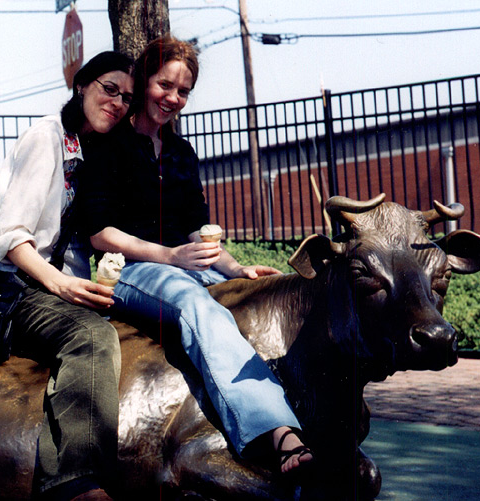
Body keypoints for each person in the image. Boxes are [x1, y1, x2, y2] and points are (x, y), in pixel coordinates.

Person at [77, 36, 313, 476]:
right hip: (133, 270)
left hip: (181, 262)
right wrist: (170, 256)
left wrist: (237, 269)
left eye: (183, 91)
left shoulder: (181, 153)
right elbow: (100, 234)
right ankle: (276, 431)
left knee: (254, 297)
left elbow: (196, 232)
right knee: (193, 304)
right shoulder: (109, 144)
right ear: (143, 80)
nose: (173, 98)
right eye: (164, 85)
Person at [0, 51, 134, 501]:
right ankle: (74, 482)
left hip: (62, 288)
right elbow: (10, 237)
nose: (118, 103)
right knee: (91, 337)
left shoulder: (92, 149)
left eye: (127, 97)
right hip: (21, 290)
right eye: (110, 89)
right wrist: (61, 284)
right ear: (82, 85)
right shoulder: (45, 138)